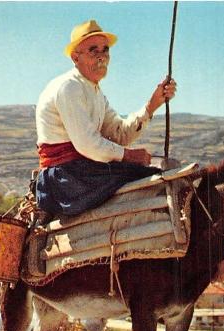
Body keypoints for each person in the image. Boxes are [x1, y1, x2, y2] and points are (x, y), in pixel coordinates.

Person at [35, 20, 177, 217]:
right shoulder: (69, 87)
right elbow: (87, 144)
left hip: (83, 172)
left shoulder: (96, 93)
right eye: (93, 50)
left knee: (153, 175)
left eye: (105, 50)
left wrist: (152, 105)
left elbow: (119, 133)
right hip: (65, 179)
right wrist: (129, 155)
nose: (102, 56)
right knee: (150, 178)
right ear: (76, 58)